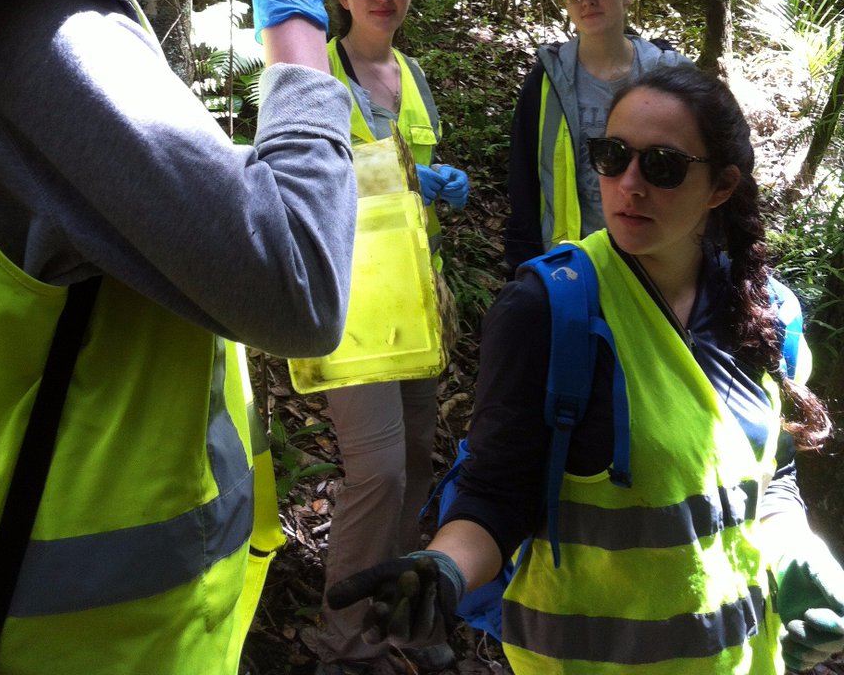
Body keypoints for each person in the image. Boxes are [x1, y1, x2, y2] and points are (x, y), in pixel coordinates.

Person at [0, 0, 357, 675]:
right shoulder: (41, 25)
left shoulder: (44, 7)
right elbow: (297, 283)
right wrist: (295, 23)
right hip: (62, 646)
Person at [328, 66, 844, 674]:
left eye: (664, 166)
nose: (628, 183)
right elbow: (497, 493)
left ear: (721, 186)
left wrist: (798, 554)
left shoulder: (764, 312)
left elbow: (769, 480)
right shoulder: (549, 308)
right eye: (612, 155)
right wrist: (444, 569)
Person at [312, 0, 469, 675]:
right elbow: (296, 184)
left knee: (410, 461)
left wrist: (444, 190)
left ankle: (399, 616)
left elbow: (422, 183)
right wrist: (399, 183)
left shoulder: (412, 73)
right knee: (375, 472)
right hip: (351, 309)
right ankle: (345, 643)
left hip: (417, 303)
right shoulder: (313, 75)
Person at [505, 0, 689, 272]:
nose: (587, 0)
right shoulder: (546, 81)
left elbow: (717, 160)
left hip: (660, 262)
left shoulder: (671, 74)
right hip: (574, 263)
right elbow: (524, 179)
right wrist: (524, 265)